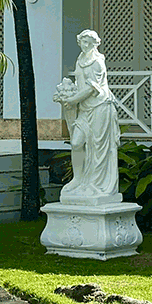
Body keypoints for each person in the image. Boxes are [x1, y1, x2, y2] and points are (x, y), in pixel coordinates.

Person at [55, 30, 121, 204]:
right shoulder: (80, 60)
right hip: (84, 109)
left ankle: (97, 184)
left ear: (95, 44)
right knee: (77, 142)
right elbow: (80, 83)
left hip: (100, 107)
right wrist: (67, 92)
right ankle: (78, 179)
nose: (85, 46)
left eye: (88, 43)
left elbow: (93, 88)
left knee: (98, 147)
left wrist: (73, 100)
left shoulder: (98, 63)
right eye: (83, 42)